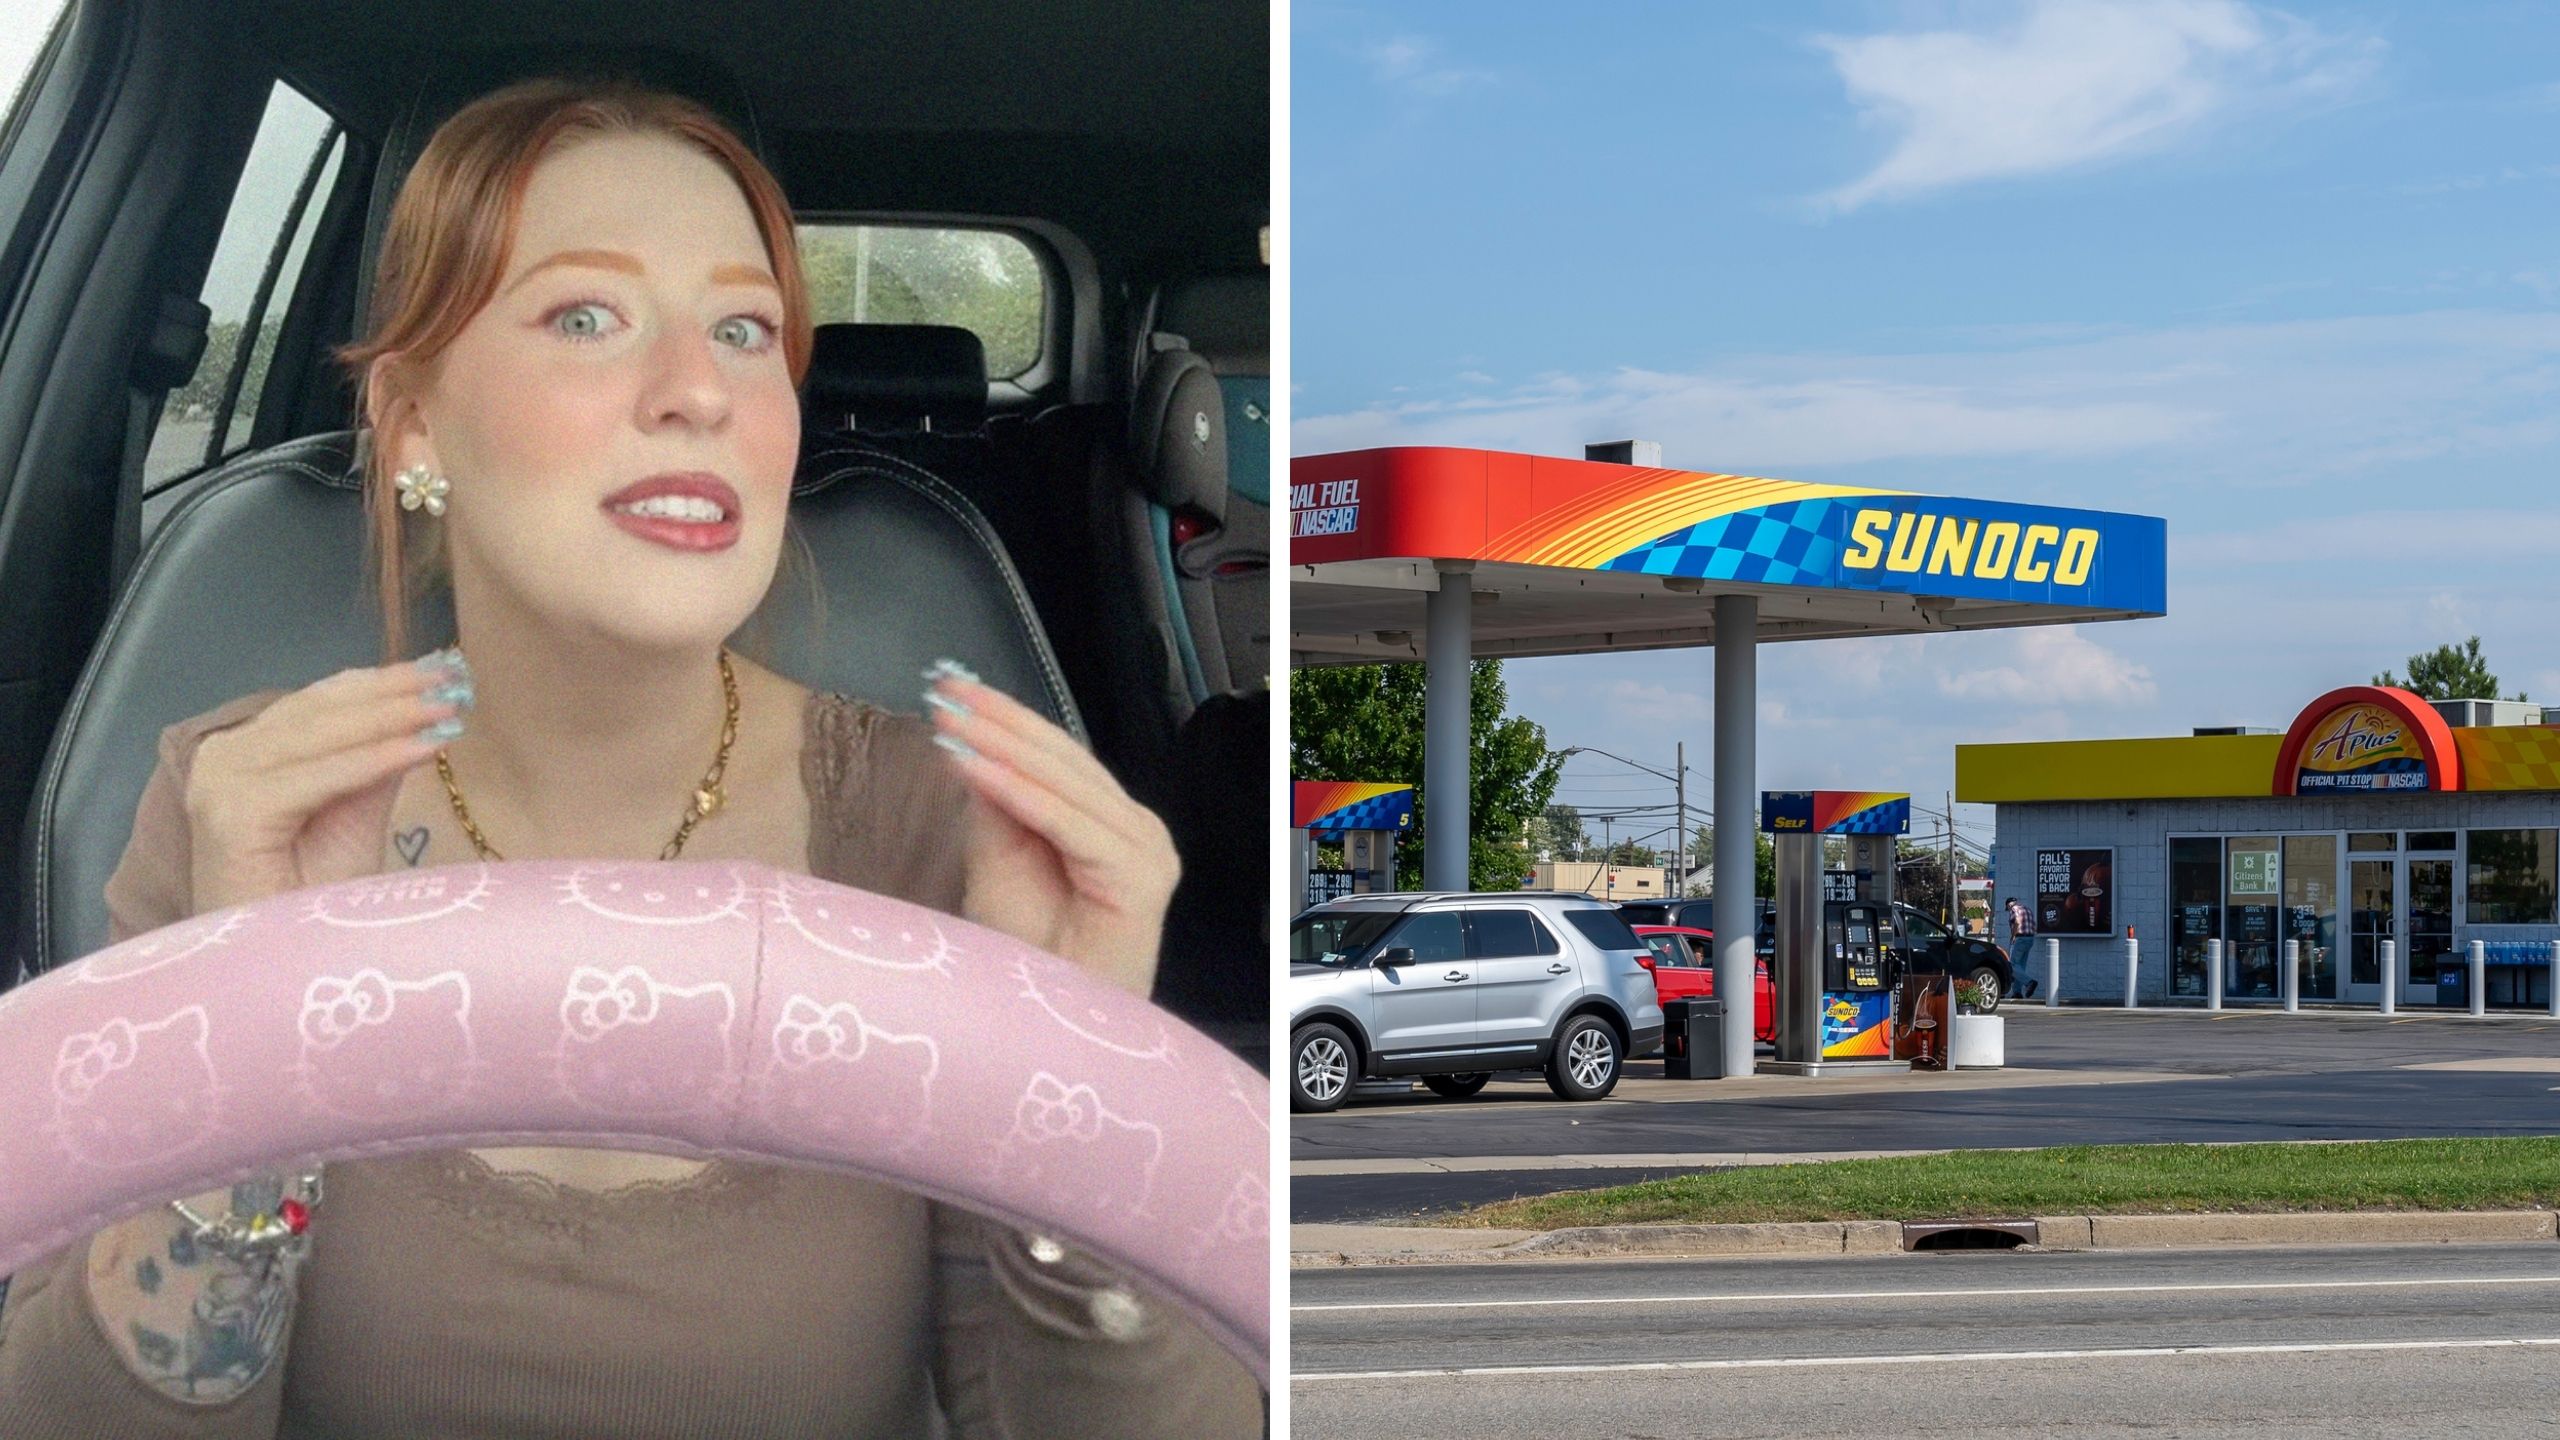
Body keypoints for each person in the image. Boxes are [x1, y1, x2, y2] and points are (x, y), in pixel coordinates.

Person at [0, 77, 1258, 1437]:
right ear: (413, 421)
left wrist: (1083, 1103)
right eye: (586, 317)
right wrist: (243, 1054)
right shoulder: (243, 805)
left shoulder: (946, 828)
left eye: (745, 330)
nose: (699, 392)